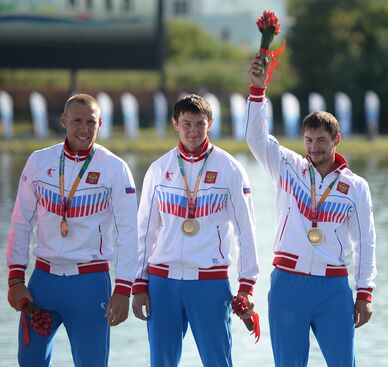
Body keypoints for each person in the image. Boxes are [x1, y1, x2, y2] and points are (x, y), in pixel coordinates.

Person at [245, 56, 377, 366]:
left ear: (336, 140)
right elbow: (255, 137)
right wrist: (257, 90)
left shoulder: (355, 186)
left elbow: (366, 243)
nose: (314, 147)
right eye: (308, 139)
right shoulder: (287, 166)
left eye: (321, 140)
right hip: (288, 284)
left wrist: (365, 292)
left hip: (333, 287)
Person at [6, 93, 138, 367]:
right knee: (29, 362)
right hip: (43, 282)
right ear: (63, 121)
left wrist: (124, 288)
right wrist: (16, 280)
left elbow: (128, 233)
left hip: (89, 284)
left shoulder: (115, 168)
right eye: (77, 121)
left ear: (100, 123)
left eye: (91, 122)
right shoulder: (39, 161)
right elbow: (20, 222)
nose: (84, 129)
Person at [131, 94, 259, 366]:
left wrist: (247, 285)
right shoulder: (158, 169)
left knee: (218, 361)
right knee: (161, 362)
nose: (193, 131)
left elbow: (245, 232)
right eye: (186, 124)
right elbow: (145, 231)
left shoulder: (231, 169)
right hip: (162, 282)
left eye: (200, 124)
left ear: (210, 123)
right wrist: (139, 284)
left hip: (209, 282)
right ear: (175, 123)